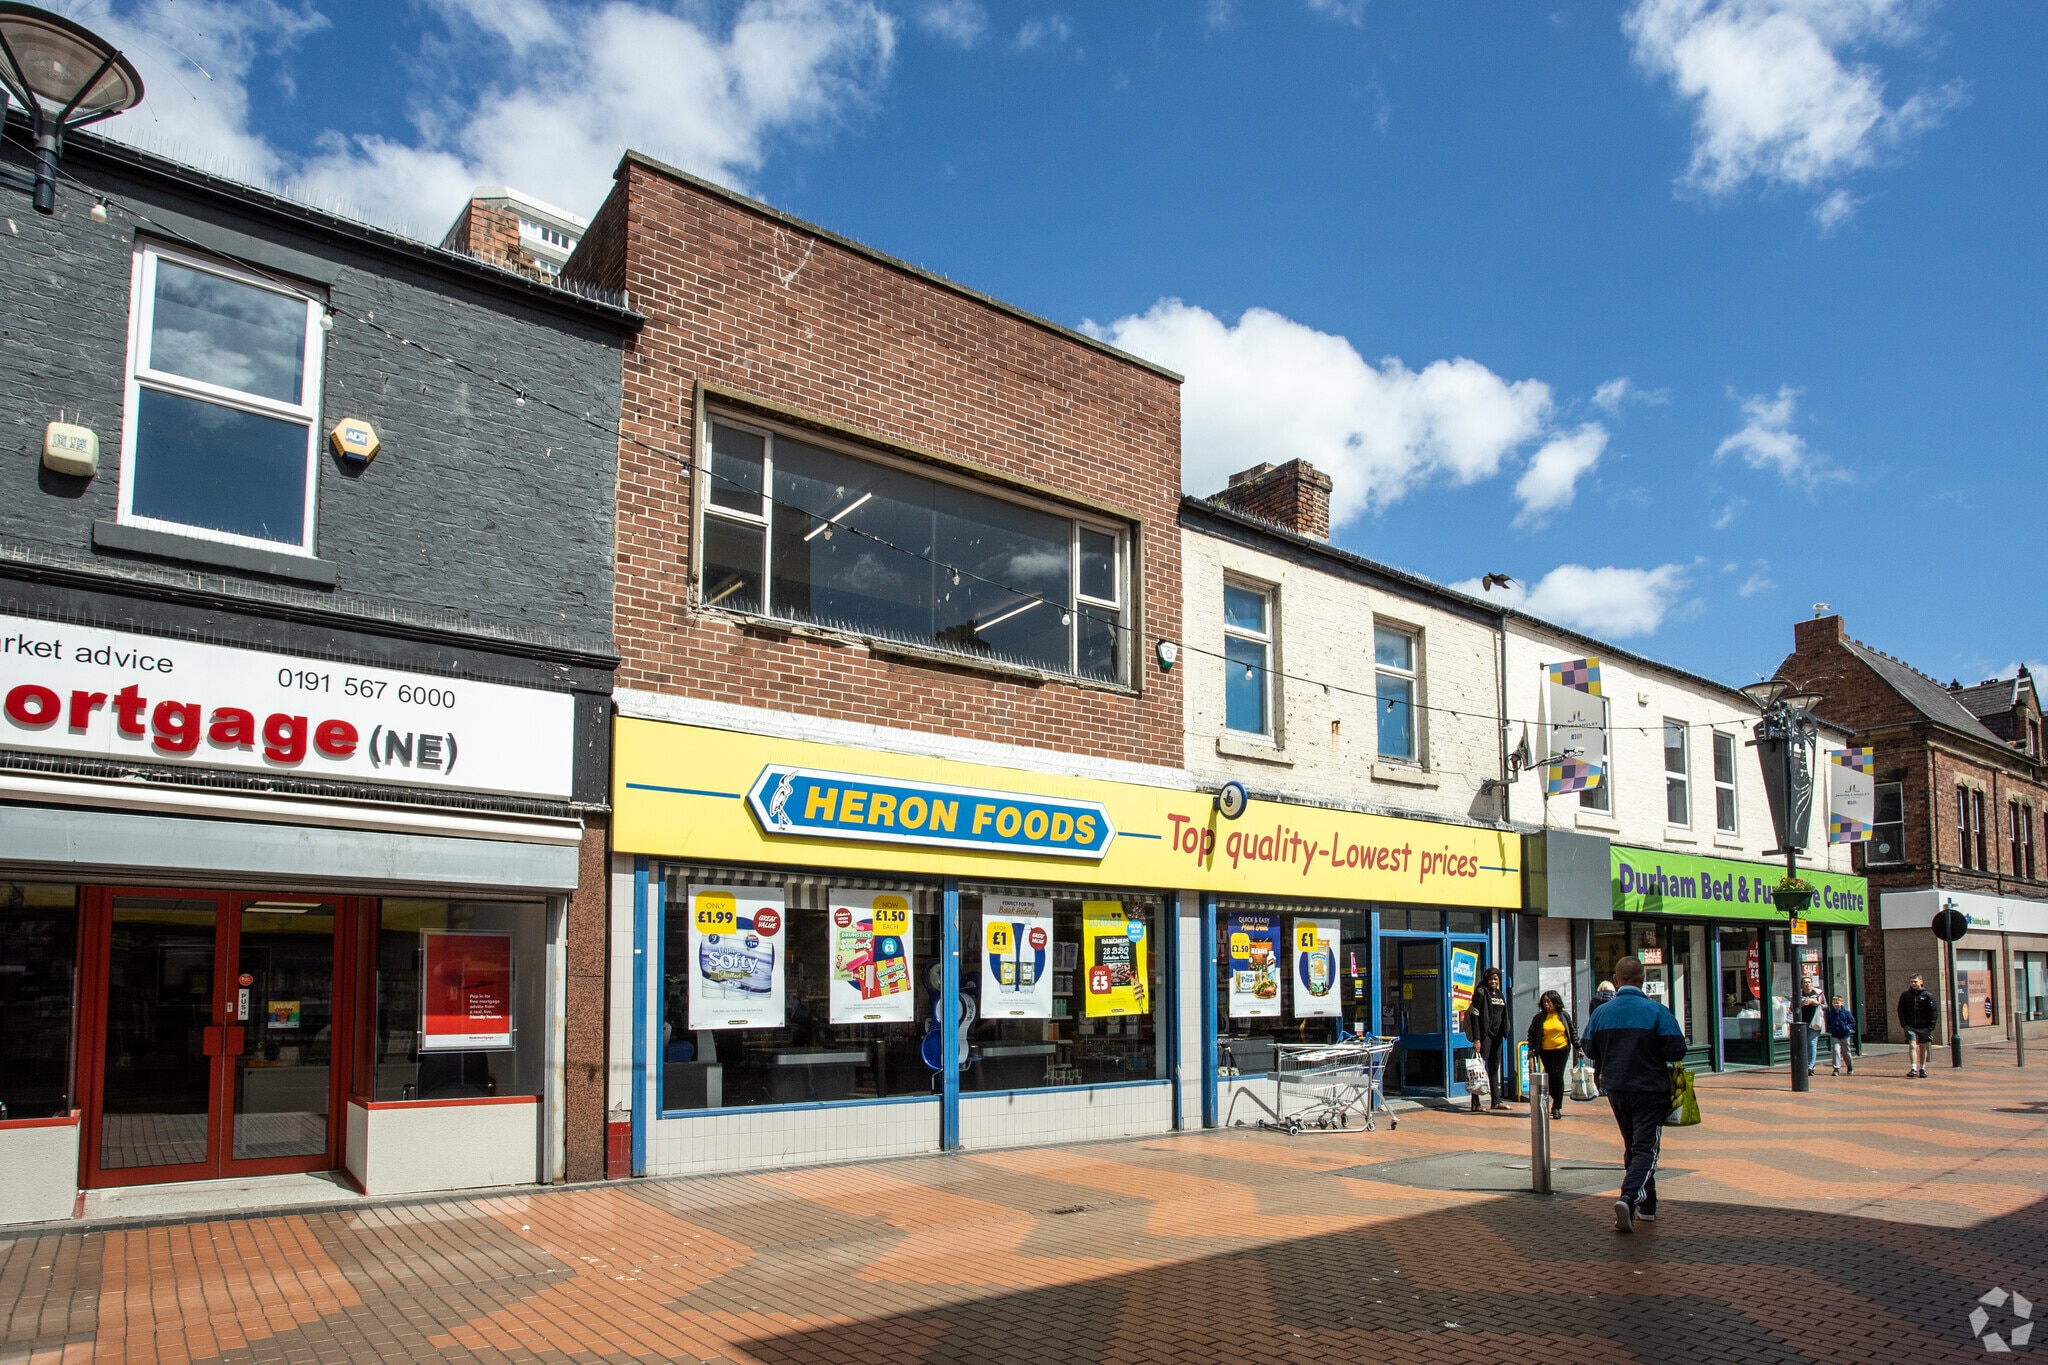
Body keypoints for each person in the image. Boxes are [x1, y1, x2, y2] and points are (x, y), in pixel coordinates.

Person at [1581, 955, 1686, 1234]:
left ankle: (1648, 1208)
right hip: (1650, 1089)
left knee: (1633, 1146)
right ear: (1642, 980)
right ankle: (1629, 1198)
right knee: (1646, 1149)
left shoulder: (1602, 1013)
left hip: (1616, 1089)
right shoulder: (1657, 1011)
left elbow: (1589, 1049)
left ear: (1617, 980)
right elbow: (1677, 1049)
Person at [1524, 989, 1579, 1120]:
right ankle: (1555, 1097)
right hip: (1545, 1050)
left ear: (1556, 1002)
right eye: (1544, 1002)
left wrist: (1579, 1047)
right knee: (1550, 1076)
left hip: (1561, 1049)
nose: (1546, 1004)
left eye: (1549, 1002)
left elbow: (1572, 1032)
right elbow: (1531, 1034)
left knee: (1558, 1075)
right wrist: (1531, 1048)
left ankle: (1556, 1107)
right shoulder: (1539, 1018)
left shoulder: (1564, 1016)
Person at [1462, 966, 1511, 1111]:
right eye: (1491, 979)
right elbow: (1475, 1016)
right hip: (1485, 1036)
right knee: (1479, 1069)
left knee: (1494, 1067)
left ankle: (1496, 1100)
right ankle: (1475, 1102)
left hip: (1497, 1036)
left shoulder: (1500, 995)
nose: (1493, 982)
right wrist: (1477, 1039)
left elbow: (1502, 1015)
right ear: (1486, 980)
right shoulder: (1481, 993)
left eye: (1496, 979)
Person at [1898, 974, 1938, 1077]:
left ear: (1921, 981)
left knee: (1923, 1047)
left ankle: (1922, 1068)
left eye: (1915, 981)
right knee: (1912, 1045)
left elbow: (1934, 1011)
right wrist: (1904, 1024)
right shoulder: (1905, 995)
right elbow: (1901, 1009)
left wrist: (1931, 1026)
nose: (1913, 984)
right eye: (1911, 982)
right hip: (1910, 1026)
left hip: (1924, 1026)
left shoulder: (1928, 995)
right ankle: (1913, 1068)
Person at [1798, 975, 1825, 1073]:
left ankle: (1810, 1066)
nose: (1807, 984)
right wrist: (1801, 1004)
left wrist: (1817, 1004)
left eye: (1809, 982)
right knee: (1802, 1044)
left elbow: (1825, 1006)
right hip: (1801, 1023)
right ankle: (1805, 1064)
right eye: (1805, 982)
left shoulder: (1818, 994)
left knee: (1812, 1043)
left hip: (1814, 1022)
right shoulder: (1798, 994)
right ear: (1801, 985)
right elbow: (1792, 1008)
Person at [1826, 995, 1856, 1075]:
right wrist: (1830, 1028)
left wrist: (1847, 1027)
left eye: (1837, 1003)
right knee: (1836, 1051)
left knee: (1846, 1052)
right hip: (1835, 1034)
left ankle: (1849, 1065)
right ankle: (1836, 1068)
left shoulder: (1846, 1013)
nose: (1836, 1004)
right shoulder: (1831, 1013)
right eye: (1834, 1003)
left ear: (1841, 1003)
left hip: (1844, 1035)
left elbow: (1853, 1022)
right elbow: (1828, 1022)